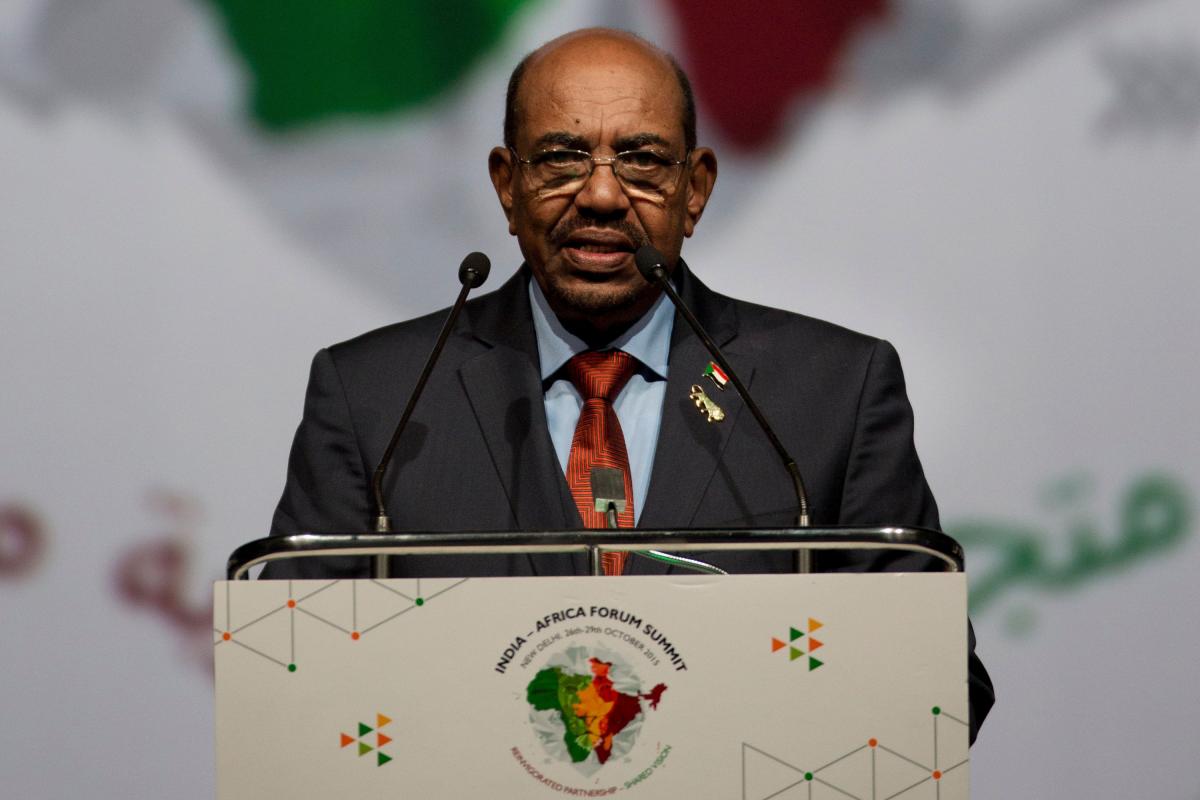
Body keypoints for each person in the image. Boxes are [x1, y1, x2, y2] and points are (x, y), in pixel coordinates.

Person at [266, 28, 992, 739]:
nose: (603, 195)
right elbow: (289, 679)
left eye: (642, 160)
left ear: (695, 189)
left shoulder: (833, 390)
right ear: (507, 186)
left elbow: (937, 688)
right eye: (562, 158)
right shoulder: (378, 398)